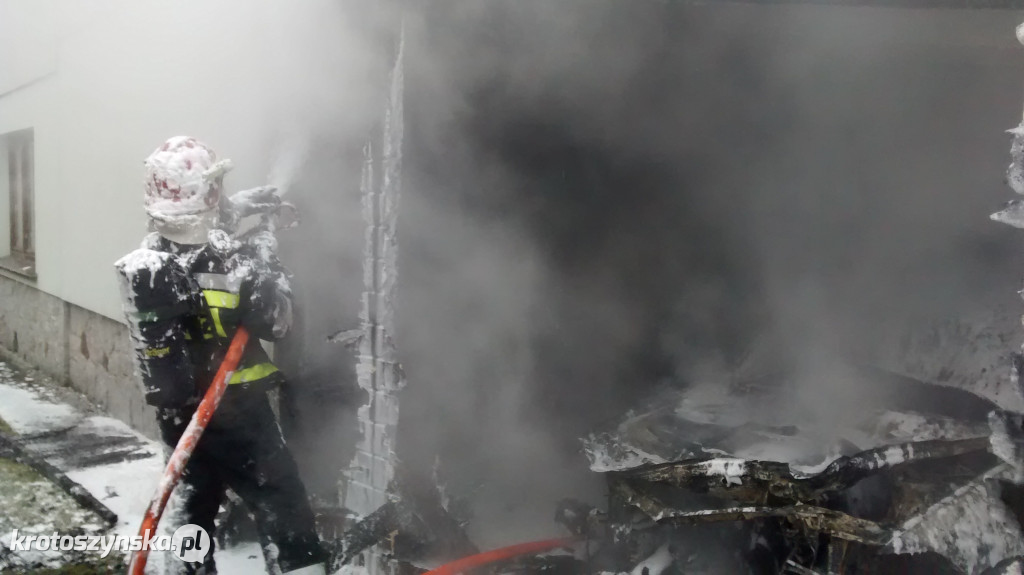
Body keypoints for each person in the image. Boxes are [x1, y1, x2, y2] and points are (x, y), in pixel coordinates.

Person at [116, 136, 325, 575]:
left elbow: (196, 233)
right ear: (209, 193)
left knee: (191, 514)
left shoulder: (155, 254)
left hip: (180, 417)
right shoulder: (236, 265)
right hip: (237, 411)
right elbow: (278, 322)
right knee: (282, 504)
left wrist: (237, 208)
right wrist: (265, 254)